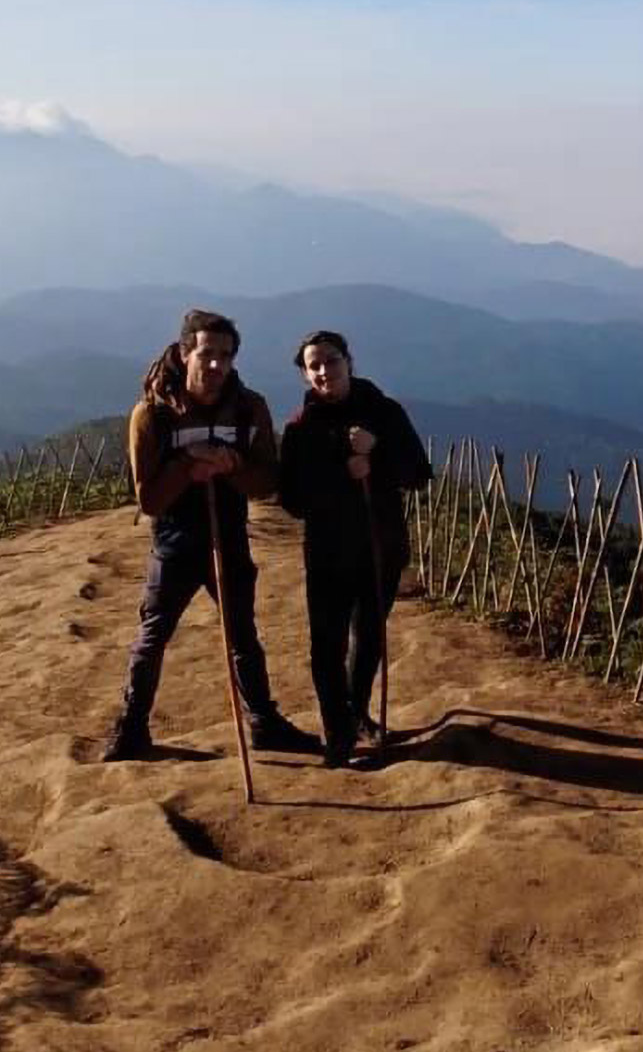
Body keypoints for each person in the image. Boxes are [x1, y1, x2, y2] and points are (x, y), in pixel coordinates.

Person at [102, 308, 304, 762]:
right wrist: (186, 468)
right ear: (184, 352)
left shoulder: (250, 406)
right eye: (207, 354)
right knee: (153, 636)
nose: (216, 365)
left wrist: (231, 468)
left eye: (225, 356)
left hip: (228, 536)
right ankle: (131, 729)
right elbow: (149, 499)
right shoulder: (152, 414)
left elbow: (267, 479)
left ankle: (264, 723)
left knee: (243, 636)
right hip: (174, 542)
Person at [277, 329, 432, 767]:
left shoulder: (385, 412)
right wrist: (341, 471)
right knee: (325, 644)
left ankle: (356, 711)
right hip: (327, 550)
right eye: (314, 365)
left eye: (331, 360)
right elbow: (291, 499)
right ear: (306, 375)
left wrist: (376, 455)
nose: (324, 371)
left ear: (349, 361)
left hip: (382, 544)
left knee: (368, 636)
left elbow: (418, 472)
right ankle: (338, 732)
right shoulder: (299, 430)